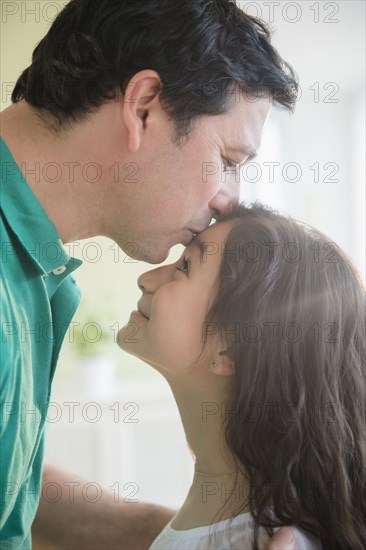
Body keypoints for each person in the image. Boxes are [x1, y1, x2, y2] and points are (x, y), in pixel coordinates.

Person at [0, 1, 299, 548]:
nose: (227, 202)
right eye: (230, 159)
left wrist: (181, 538)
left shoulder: (26, 269)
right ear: (142, 108)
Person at [117, 203, 366, 550]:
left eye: (184, 267)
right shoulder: (226, 517)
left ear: (231, 349)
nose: (147, 278)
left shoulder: (269, 541)